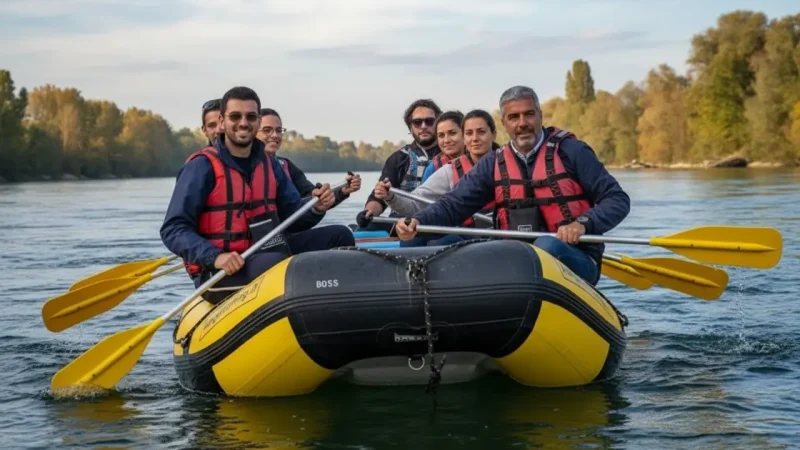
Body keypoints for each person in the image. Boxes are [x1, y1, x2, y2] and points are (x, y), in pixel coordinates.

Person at [394, 86, 631, 285]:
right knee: (431, 242)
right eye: (514, 117)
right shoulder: (493, 163)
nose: (522, 123)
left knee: (545, 246)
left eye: (529, 115)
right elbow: (453, 205)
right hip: (516, 260)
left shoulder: (572, 151)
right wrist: (418, 222)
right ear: (504, 123)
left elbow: (617, 199)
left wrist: (583, 224)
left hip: (573, 256)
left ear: (540, 116)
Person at [161, 86, 355, 304]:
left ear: (258, 121)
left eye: (251, 117)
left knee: (340, 235)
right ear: (222, 121)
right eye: (236, 116)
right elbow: (173, 229)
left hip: (268, 254)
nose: (244, 123)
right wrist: (215, 257)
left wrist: (316, 207)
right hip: (219, 272)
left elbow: (292, 215)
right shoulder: (201, 166)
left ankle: (339, 303)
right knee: (276, 262)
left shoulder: (269, 164)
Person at [356, 99, 442, 232]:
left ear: (439, 124)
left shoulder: (451, 155)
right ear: (410, 127)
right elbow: (379, 196)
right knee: (365, 228)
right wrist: (368, 213)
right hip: (400, 222)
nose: (424, 126)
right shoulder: (398, 159)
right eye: (417, 122)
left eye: (429, 121)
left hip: (439, 221)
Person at [255, 108, 361, 206]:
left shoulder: (287, 166)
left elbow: (315, 198)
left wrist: (343, 191)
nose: (275, 135)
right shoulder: (246, 167)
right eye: (267, 130)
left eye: (278, 130)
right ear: (253, 132)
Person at [420, 111, 467, 183]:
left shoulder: (479, 160)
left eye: (452, 133)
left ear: (465, 133)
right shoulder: (434, 168)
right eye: (441, 135)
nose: (446, 140)